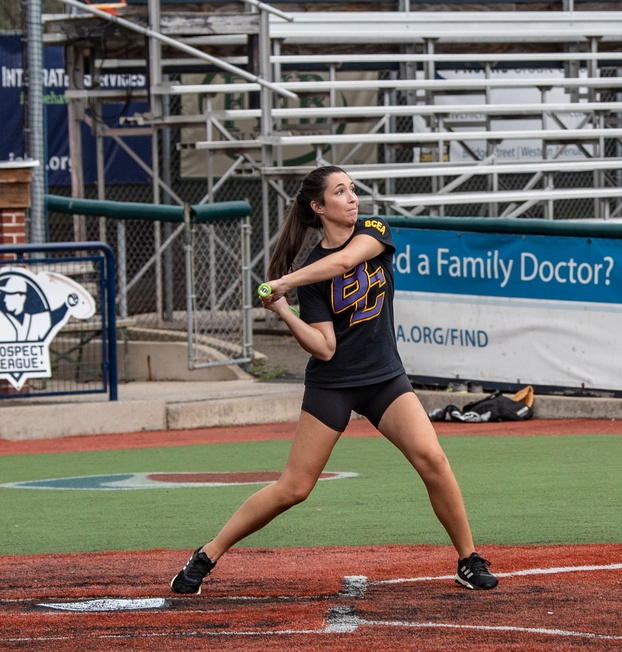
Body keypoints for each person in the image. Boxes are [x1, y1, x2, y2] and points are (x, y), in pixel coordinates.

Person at [170, 165, 498, 594]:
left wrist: (282, 281)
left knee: (433, 459)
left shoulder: (374, 231)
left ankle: (468, 560)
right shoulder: (311, 272)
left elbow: (343, 261)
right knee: (294, 488)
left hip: (384, 377)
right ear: (318, 207)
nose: (352, 198)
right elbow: (323, 347)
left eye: (351, 190)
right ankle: (205, 556)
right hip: (334, 383)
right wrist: (285, 309)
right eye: (340, 192)